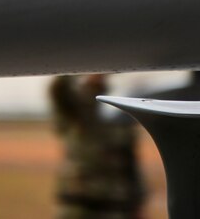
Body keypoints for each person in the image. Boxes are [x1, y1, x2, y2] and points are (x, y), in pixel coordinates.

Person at [49, 74, 147, 219]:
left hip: (114, 206)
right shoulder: (76, 110)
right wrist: (81, 66)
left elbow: (130, 164)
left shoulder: (118, 114)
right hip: (80, 205)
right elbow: (58, 88)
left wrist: (138, 201)